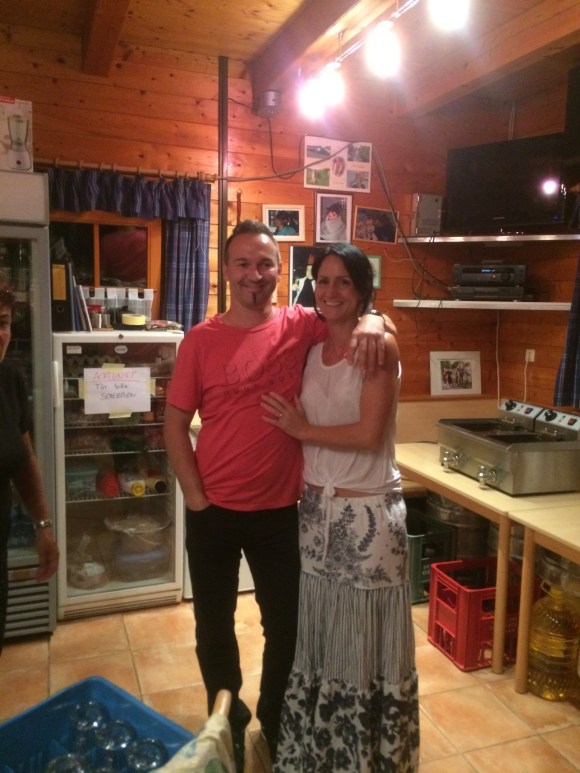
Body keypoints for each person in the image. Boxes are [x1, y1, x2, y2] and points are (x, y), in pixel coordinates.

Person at [163, 220, 396, 772]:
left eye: (265, 263)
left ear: (278, 271)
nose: (255, 274)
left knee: (286, 628)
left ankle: (274, 718)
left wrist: (377, 320)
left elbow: (354, 313)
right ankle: (227, 722)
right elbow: (173, 425)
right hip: (213, 511)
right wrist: (195, 497)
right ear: (227, 270)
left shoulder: (300, 325)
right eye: (243, 263)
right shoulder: (200, 340)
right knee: (213, 627)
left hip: (280, 514)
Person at [261, 243, 420, 771]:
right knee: (321, 636)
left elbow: (370, 434)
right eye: (323, 281)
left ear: (362, 291)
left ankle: (363, 758)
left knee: (364, 641)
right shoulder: (312, 348)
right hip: (315, 517)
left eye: (343, 282)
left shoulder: (377, 347)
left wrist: (301, 429)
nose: (330, 291)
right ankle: (321, 751)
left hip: (368, 517)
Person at [0, 286, 59, 651]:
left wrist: (42, 527)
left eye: (3, 322)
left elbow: (23, 458)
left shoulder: (9, 378)